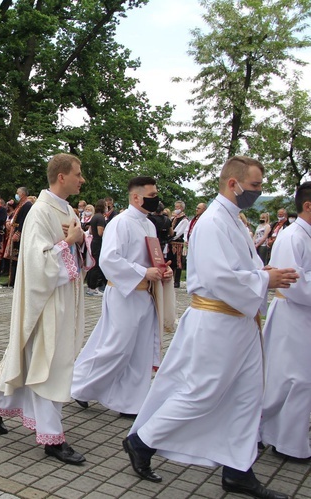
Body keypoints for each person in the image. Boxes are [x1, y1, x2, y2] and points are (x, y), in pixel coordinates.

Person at [124, 156, 298, 499]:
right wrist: (265, 279)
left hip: (241, 322)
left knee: (247, 396)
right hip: (218, 321)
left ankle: (238, 470)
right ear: (233, 184)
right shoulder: (213, 221)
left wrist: (263, 275)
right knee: (203, 391)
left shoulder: (234, 218)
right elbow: (219, 277)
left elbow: (239, 269)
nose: (258, 191)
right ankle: (142, 441)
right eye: (255, 185)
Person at [0, 153, 89, 464]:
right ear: (62, 176)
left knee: (34, 359)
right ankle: (52, 438)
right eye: (78, 174)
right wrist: (70, 242)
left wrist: (79, 241)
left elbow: (73, 245)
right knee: (48, 365)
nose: (82, 180)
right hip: (47, 300)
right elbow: (38, 261)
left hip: (64, 296)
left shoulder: (66, 208)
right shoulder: (39, 211)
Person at [71, 177, 172, 418]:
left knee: (140, 351)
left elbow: (151, 257)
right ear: (136, 197)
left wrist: (162, 270)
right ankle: (76, 387)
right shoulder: (120, 223)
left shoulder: (148, 225)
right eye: (151, 194)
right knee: (115, 348)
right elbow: (109, 259)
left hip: (146, 295)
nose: (155, 198)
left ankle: (130, 402)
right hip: (124, 294)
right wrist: (142, 272)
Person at [260, 182, 311, 461]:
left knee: (291, 380)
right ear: (308, 205)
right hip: (292, 312)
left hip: (302, 314)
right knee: (296, 380)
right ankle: (288, 443)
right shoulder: (294, 237)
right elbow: (294, 283)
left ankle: (280, 436)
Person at [3, 187, 33, 287]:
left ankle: (15, 281)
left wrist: (18, 232)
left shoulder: (27, 205)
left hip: (19, 233)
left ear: (23, 194)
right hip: (14, 230)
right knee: (13, 257)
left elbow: (24, 220)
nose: (16, 195)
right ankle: (12, 280)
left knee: (16, 257)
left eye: (18, 193)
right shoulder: (20, 205)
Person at [85, 199, 107, 296]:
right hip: (98, 243)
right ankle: (93, 288)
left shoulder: (94, 217)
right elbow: (100, 232)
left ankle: (90, 286)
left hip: (94, 242)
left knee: (93, 264)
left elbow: (90, 231)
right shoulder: (101, 218)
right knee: (97, 265)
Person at [168, 201, 189, 288]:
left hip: (178, 243)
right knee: (171, 262)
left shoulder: (184, 220)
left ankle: (177, 281)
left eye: (178, 207)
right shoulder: (173, 218)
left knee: (178, 262)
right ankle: (171, 280)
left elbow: (179, 232)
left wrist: (172, 236)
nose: (176, 209)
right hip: (171, 242)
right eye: (175, 207)